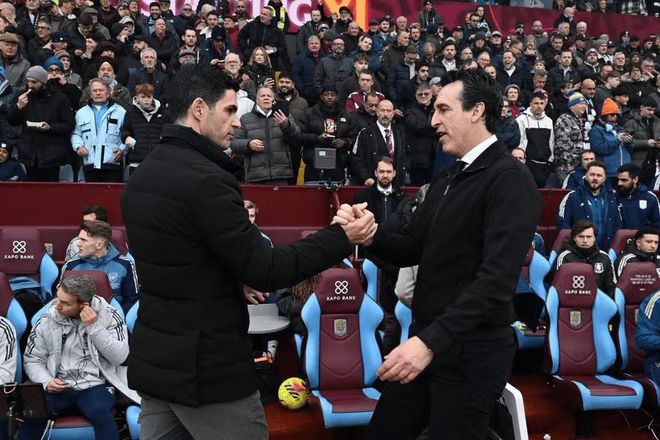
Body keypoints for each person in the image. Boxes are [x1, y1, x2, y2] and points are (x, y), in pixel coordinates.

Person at [120, 64, 375, 440]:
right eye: (229, 110)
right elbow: (267, 269)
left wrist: (227, 278)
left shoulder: (141, 177)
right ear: (199, 109)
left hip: (157, 361)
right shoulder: (207, 180)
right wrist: (341, 236)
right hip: (208, 370)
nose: (237, 122)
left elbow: (179, 259)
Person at [335, 68, 541, 440]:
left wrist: (429, 342)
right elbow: (411, 246)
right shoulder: (446, 179)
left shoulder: (510, 178)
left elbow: (496, 281)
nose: (433, 121)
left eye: (444, 110)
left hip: (471, 356)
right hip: (427, 343)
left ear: (477, 111)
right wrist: (371, 234)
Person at [21, 274, 139, 440]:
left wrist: (94, 328)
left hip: (96, 385)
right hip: (58, 384)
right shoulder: (46, 319)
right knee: (33, 413)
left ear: (84, 305)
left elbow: (120, 357)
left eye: (65, 303)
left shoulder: (110, 315)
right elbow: (33, 359)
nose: (57, 306)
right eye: (57, 298)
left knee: (101, 414)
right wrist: (46, 381)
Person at [6, 66, 75, 182]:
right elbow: (11, 120)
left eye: (34, 82)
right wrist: (18, 107)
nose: (30, 85)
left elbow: (69, 125)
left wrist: (50, 127)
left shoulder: (60, 98)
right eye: (28, 81)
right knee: (31, 190)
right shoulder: (22, 96)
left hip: (52, 155)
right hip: (29, 154)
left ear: (43, 81)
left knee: (50, 190)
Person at [61, 220, 138, 314]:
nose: (78, 244)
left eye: (83, 240)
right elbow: (61, 299)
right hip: (77, 317)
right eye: (79, 239)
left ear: (99, 245)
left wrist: (113, 317)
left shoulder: (125, 264)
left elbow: (132, 301)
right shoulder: (71, 266)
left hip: (114, 318)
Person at [230, 86, 300, 185]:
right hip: (255, 177)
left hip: (281, 175)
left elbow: (297, 137)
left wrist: (286, 125)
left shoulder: (283, 116)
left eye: (269, 96)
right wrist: (248, 144)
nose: (266, 98)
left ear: (273, 100)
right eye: (263, 96)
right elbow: (234, 143)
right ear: (257, 100)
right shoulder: (245, 119)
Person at [72, 78, 127, 182]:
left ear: (108, 92)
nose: (98, 93)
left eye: (101, 90)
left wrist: (122, 149)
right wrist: (78, 146)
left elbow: (127, 133)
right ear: (90, 94)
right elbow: (76, 133)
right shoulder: (81, 113)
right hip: (90, 163)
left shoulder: (120, 111)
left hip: (113, 163)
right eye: (95, 90)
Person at [557, 160, 622, 249]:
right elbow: (563, 223)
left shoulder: (612, 198)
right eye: (592, 174)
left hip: (605, 251)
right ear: (586, 176)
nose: (595, 178)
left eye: (599, 175)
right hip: (579, 250)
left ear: (604, 178)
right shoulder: (572, 196)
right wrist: (573, 245)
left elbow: (618, 225)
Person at [552, 219, 616, 297]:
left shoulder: (605, 257)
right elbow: (558, 287)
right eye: (581, 237)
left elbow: (611, 288)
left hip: (598, 301)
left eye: (589, 237)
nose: (585, 240)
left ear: (594, 238)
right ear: (574, 238)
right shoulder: (564, 257)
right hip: (571, 300)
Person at [350, 100, 406, 187]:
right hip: (372, 184)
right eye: (382, 110)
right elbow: (356, 159)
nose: (385, 114)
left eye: (388, 111)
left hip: (395, 185)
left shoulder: (400, 133)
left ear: (393, 113)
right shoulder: (365, 133)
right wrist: (365, 177)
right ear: (377, 112)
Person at [122, 82, 171, 174]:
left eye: (149, 97)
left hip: (159, 160)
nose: (146, 100)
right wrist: (129, 139)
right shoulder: (130, 113)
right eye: (143, 97)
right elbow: (125, 130)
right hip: (137, 162)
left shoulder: (163, 113)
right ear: (137, 97)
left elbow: (169, 131)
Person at [516, 90, 555, 187]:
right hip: (529, 163)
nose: (539, 106)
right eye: (536, 103)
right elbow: (521, 141)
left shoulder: (549, 121)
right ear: (530, 104)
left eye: (542, 103)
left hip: (545, 164)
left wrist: (550, 159)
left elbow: (551, 141)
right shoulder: (521, 120)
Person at [590, 98, 633, 185]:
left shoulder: (620, 129)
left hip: (625, 172)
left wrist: (629, 142)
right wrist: (618, 140)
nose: (615, 117)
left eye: (616, 114)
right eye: (612, 114)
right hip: (609, 172)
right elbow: (599, 148)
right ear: (605, 116)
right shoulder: (596, 130)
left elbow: (630, 150)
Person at [624, 97, 660, 186]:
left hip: (654, 163)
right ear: (641, 107)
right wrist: (646, 143)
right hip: (637, 164)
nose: (651, 112)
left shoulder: (657, 122)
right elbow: (627, 142)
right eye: (649, 109)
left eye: (653, 110)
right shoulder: (631, 123)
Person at [554, 91, 588, 182]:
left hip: (578, 164)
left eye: (585, 104)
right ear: (572, 106)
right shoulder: (564, 119)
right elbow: (562, 145)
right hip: (566, 166)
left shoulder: (580, 120)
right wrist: (570, 162)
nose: (583, 106)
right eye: (580, 104)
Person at [616, 164, 660, 230]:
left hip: (643, 235)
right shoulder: (614, 198)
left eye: (624, 180)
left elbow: (657, 224)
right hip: (620, 236)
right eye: (618, 180)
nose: (619, 183)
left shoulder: (650, 198)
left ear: (635, 179)